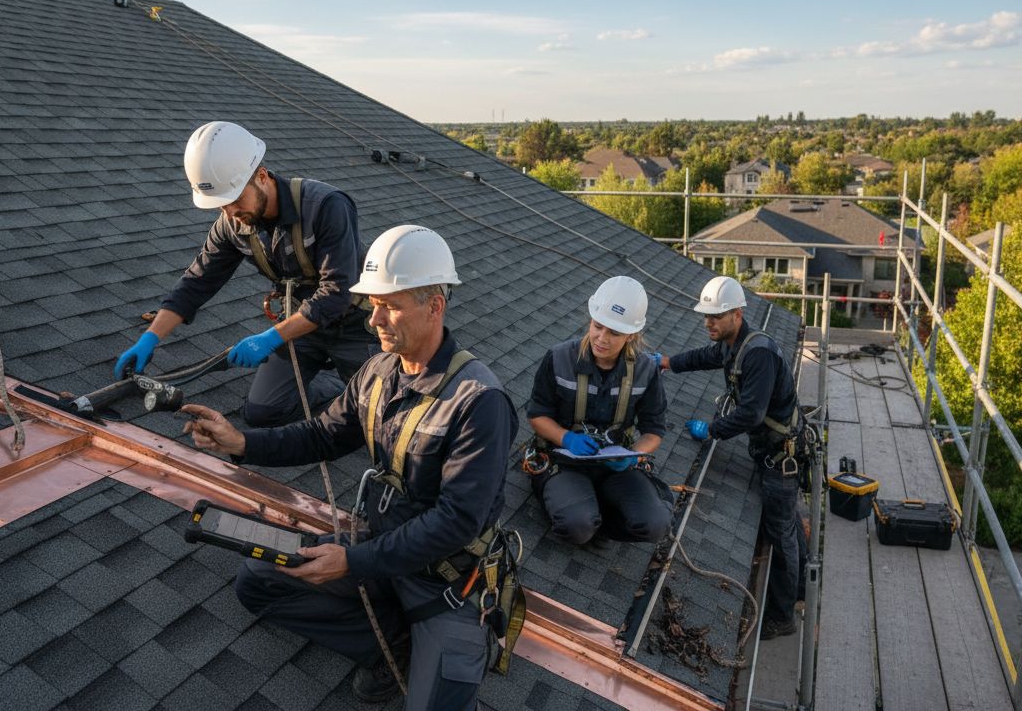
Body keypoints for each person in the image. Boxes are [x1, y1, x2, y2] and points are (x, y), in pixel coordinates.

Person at [180, 225, 517, 709]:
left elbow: (457, 521)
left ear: (435, 307)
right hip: (380, 548)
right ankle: (391, 644)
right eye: (373, 303)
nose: (374, 319)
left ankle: (423, 637)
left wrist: (353, 562)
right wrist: (240, 442)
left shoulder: (478, 402)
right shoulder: (379, 370)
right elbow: (323, 434)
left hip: (441, 580)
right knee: (257, 581)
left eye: (391, 305)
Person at [114, 121, 377, 426]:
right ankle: (329, 385)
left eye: (237, 201)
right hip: (301, 326)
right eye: (222, 206)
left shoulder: (325, 206)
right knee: (263, 413)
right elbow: (196, 282)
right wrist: (150, 337)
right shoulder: (232, 225)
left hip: (356, 326)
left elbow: (337, 293)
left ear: (262, 176)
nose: (231, 213)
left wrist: (268, 338)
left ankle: (352, 388)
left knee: (379, 413)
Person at [659, 275, 803, 639]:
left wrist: (712, 430)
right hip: (770, 450)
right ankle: (800, 590)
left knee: (780, 531)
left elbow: (752, 414)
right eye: (706, 316)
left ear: (737, 314)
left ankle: (783, 616)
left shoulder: (758, 354)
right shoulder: (732, 344)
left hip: (780, 459)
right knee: (787, 527)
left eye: (716, 316)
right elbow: (706, 356)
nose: (708, 323)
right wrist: (667, 363)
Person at [526, 276, 671, 546]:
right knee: (576, 527)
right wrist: (566, 438)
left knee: (656, 525)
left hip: (614, 467)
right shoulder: (559, 358)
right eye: (597, 326)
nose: (601, 338)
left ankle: (600, 517)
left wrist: (632, 455)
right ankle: (579, 511)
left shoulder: (645, 371)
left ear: (632, 335)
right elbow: (537, 415)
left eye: (614, 333)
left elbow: (654, 430)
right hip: (566, 461)